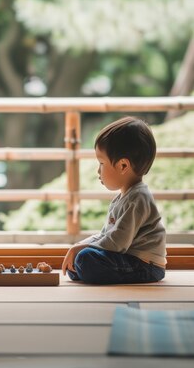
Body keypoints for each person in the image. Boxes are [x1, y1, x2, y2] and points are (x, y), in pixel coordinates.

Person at [62, 116, 166, 285]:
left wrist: (81, 249)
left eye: (101, 163)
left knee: (85, 259)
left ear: (123, 166)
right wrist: (80, 245)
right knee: (80, 259)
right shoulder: (124, 197)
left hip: (145, 266)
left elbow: (117, 242)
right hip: (128, 259)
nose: (98, 170)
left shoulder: (138, 199)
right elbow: (106, 235)